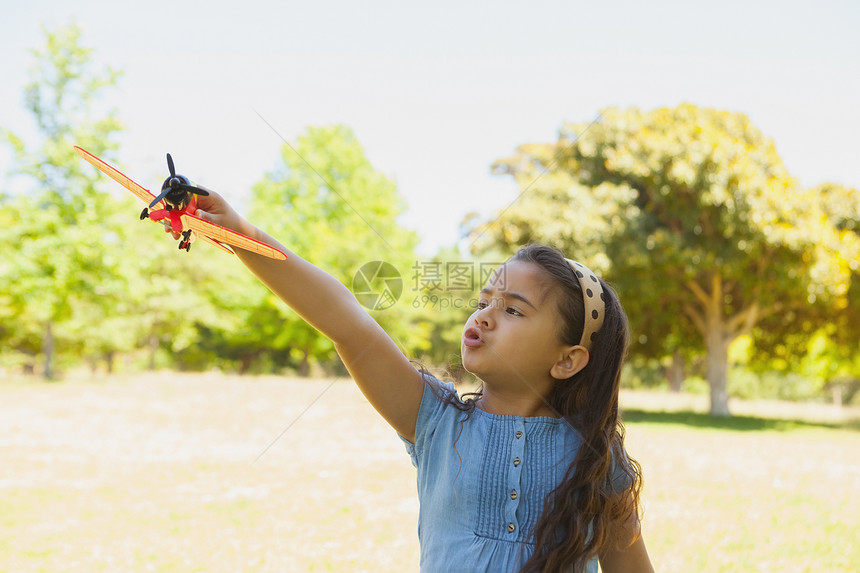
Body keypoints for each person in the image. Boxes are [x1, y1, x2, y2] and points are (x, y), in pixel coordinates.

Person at [179, 188, 654, 573]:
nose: (486, 315)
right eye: (484, 301)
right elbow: (348, 322)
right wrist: (241, 234)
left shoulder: (595, 456)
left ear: (567, 360)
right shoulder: (435, 420)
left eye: (513, 309)